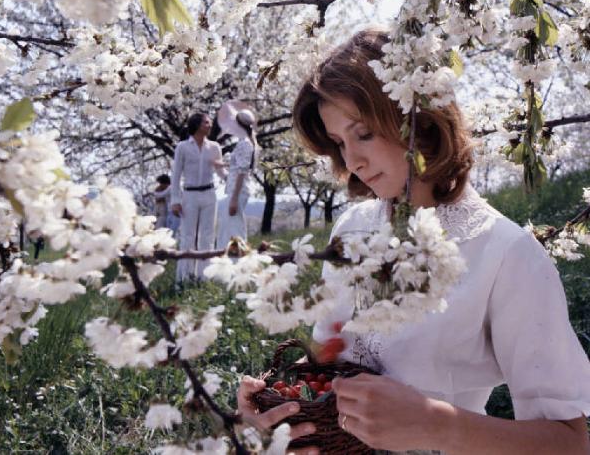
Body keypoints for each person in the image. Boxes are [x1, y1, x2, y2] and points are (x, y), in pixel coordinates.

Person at [237, 29, 590, 454]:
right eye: (339, 143)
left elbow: (571, 442)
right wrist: (278, 399)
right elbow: (331, 362)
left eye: (363, 133)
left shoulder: (505, 254)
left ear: (419, 119)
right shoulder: (351, 229)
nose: (352, 161)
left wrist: (436, 424)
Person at [171, 112, 225, 283]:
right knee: (187, 236)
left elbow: (221, 172)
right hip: (190, 195)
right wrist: (175, 200)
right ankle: (184, 279)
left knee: (208, 236)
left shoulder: (215, 147)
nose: (210, 125)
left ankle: (204, 278)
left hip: (209, 194)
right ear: (197, 125)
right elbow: (176, 175)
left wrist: (237, 174)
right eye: (206, 122)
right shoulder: (182, 147)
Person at [215, 100, 259, 250]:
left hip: (237, 192)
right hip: (238, 189)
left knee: (233, 228)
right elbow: (239, 167)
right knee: (231, 226)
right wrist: (223, 166)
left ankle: (237, 260)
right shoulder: (249, 142)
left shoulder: (244, 143)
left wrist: (233, 198)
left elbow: (241, 171)